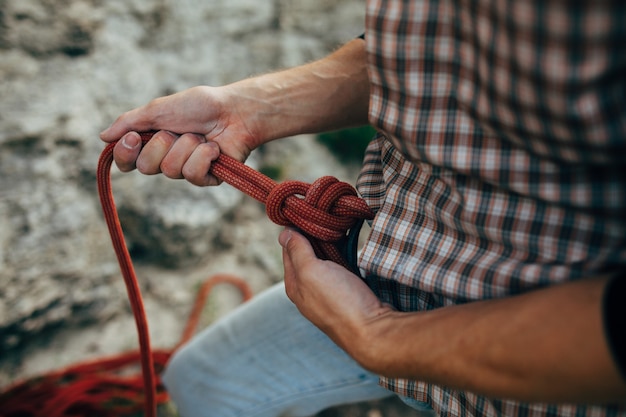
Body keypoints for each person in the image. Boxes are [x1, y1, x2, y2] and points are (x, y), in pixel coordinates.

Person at [100, 1, 626, 416]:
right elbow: (431, 46)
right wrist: (248, 109)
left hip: (538, 384)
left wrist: (376, 336)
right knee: (203, 383)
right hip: (370, 273)